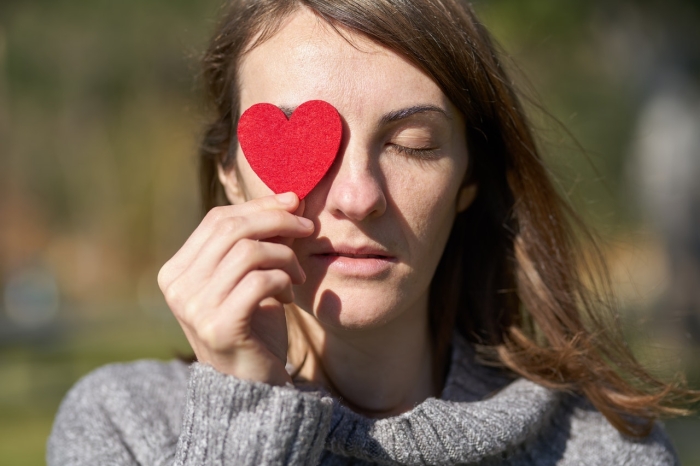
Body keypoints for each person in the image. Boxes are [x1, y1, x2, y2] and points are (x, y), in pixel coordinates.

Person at [47, 0, 698, 464]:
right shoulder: (121, 426)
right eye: (311, 149)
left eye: (412, 144)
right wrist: (242, 412)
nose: (358, 197)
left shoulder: (602, 448)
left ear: (470, 175)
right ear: (231, 174)